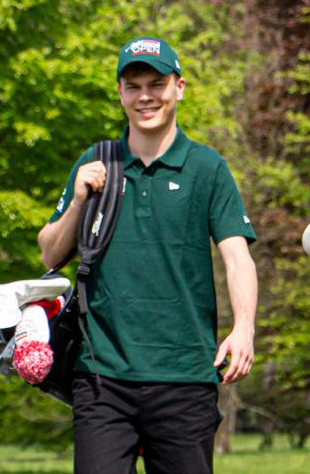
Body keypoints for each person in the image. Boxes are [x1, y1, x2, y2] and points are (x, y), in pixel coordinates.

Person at [38, 36, 258, 474]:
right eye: (133, 86)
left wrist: (244, 329)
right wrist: (79, 200)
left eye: (156, 84)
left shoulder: (207, 168)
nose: (145, 97)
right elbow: (50, 253)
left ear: (179, 87)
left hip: (186, 375)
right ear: (120, 93)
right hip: (102, 376)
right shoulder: (97, 161)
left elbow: (237, 258)